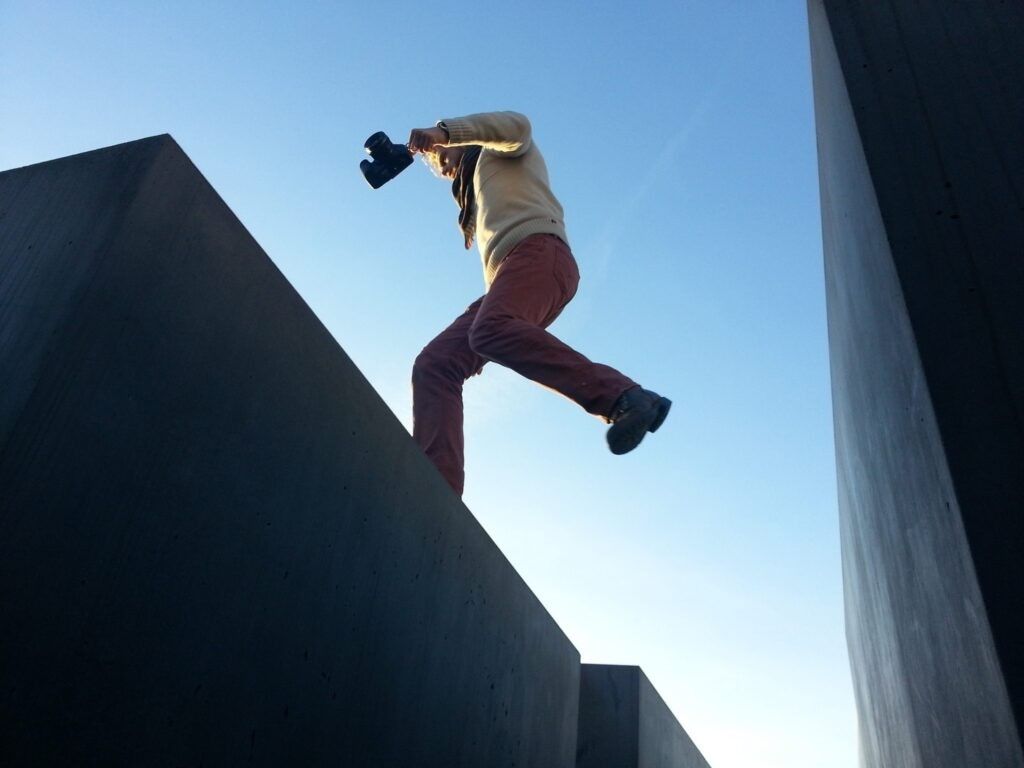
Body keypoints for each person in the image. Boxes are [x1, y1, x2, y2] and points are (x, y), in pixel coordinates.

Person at [407, 111, 670, 496]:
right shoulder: (478, 196)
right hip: (513, 278)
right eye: (436, 164)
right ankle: (434, 491)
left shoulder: (502, 151)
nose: (440, 163)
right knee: (436, 364)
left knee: (489, 329)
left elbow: (517, 125)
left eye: (443, 155)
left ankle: (624, 398)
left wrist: (442, 132)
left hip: (540, 254)